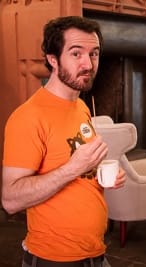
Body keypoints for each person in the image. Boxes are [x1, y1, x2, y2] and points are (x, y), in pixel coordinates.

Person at [1, 16, 126, 267]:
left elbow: (74, 163)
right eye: (76, 53)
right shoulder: (28, 117)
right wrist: (73, 168)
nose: (88, 63)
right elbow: (10, 199)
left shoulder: (80, 107)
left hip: (94, 254)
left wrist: (99, 172)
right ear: (53, 60)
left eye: (94, 54)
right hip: (54, 259)